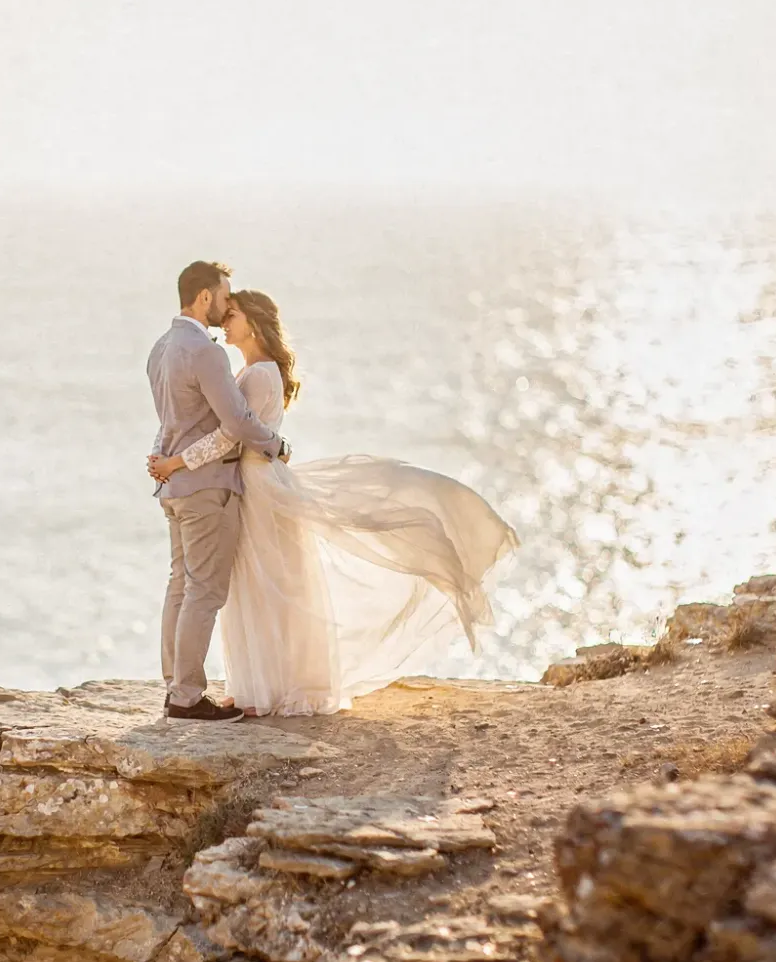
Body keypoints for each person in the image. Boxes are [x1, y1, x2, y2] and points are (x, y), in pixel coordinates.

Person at [148, 287, 517, 716]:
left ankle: (268, 688)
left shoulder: (259, 374)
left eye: (233, 315)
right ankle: (255, 686)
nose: (225, 323)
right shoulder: (252, 372)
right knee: (253, 586)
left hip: (255, 483)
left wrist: (175, 460)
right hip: (249, 479)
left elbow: (235, 431)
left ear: (254, 323)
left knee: (266, 586)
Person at [146, 261, 289, 721]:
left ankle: (175, 688)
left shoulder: (161, 348)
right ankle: (186, 696)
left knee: (180, 586)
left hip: (173, 488)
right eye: (224, 297)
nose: (227, 307)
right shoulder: (207, 353)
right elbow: (236, 423)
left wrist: (161, 460)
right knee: (204, 592)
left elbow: (169, 422)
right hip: (206, 489)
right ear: (204, 297)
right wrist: (277, 444)